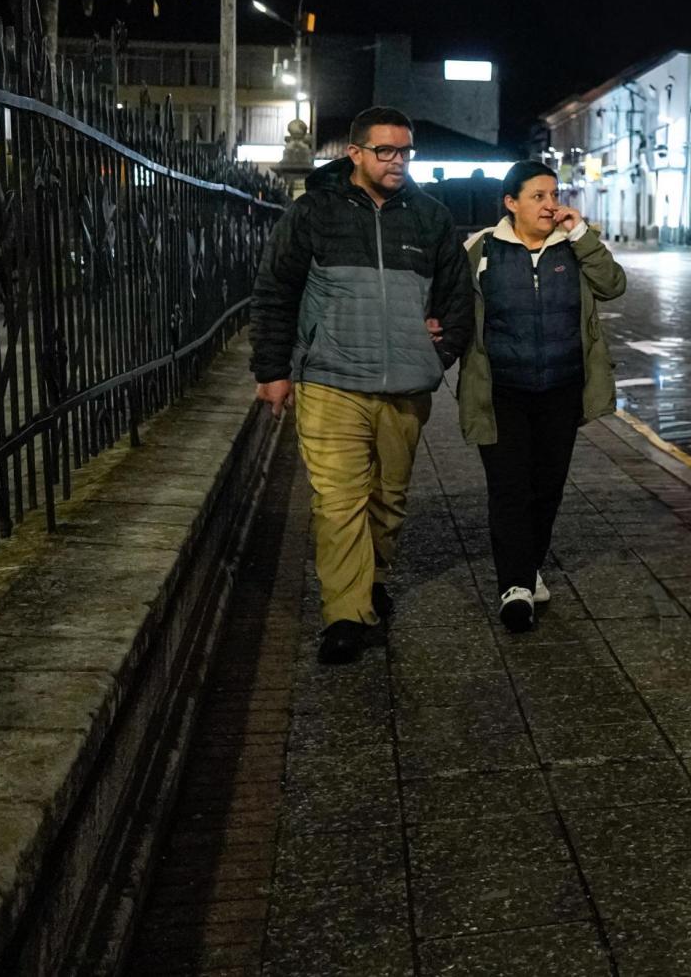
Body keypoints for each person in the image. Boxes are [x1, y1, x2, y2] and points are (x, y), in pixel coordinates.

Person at [251, 107, 473, 665]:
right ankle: (346, 616)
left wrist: (437, 354)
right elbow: (275, 291)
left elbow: (457, 297)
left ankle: (369, 578)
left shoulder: (430, 217)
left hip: (405, 386)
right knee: (338, 500)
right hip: (330, 381)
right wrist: (273, 372)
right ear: (356, 153)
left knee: (387, 501)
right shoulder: (313, 214)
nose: (398, 161)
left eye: (405, 151)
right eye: (386, 151)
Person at [457, 161, 627, 631]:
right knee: (510, 487)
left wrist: (581, 235)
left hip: (561, 387)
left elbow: (613, 285)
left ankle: (528, 567)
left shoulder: (572, 248)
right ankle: (514, 587)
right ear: (511, 204)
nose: (550, 205)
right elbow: (453, 309)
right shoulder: (481, 249)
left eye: (553, 195)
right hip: (501, 390)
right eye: (538, 196)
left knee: (546, 487)